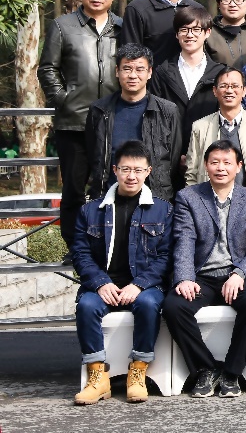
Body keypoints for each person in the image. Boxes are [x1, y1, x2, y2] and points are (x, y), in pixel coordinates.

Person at [163, 140, 246, 399]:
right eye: (215, 162)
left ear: (238, 166)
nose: (221, 168)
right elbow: (184, 239)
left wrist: (239, 273)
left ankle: (232, 372)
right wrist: (185, 277)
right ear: (205, 165)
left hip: (239, 273)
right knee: (174, 306)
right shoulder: (189, 197)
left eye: (227, 162)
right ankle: (206, 369)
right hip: (202, 275)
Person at [70, 141, 173, 405]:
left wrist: (138, 285)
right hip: (103, 285)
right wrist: (100, 283)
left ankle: (138, 371)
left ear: (148, 171)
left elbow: (166, 256)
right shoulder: (90, 210)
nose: (131, 176)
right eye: (125, 169)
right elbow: (80, 254)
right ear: (115, 170)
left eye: (138, 170)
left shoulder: (163, 209)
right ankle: (97, 376)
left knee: (148, 304)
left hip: (144, 285)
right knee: (86, 306)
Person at [39, 0, 121, 247]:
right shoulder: (63, 26)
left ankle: (107, 247)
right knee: (74, 190)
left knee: (110, 187)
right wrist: (63, 98)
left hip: (112, 121)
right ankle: (75, 248)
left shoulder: (122, 28)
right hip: (73, 122)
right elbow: (48, 69)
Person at [85, 44, 183, 201]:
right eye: (127, 69)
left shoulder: (168, 111)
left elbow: (173, 159)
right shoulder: (99, 110)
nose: (133, 75)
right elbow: (93, 154)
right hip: (108, 196)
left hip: (155, 199)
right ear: (117, 71)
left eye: (139, 69)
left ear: (149, 72)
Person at [184, 69, 246, 196]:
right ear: (215, 91)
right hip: (208, 202)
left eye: (235, 86)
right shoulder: (200, 127)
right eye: (223, 86)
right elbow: (191, 173)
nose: (229, 90)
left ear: (244, 91)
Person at [151, 6, 226, 160]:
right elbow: (155, 119)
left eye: (196, 29)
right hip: (169, 158)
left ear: (207, 32)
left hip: (209, 158)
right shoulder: (162, 72)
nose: (189, 35)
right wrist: (173, 155)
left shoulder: (221, 74)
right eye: (184, 30)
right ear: (177, 34)